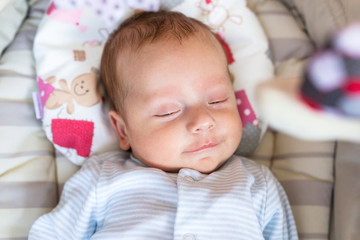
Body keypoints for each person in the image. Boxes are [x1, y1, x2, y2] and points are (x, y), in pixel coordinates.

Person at [29, 10, 298, 240]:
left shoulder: (256, 184)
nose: (203, 121)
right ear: (123, 130)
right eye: (168, 112)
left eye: (217, 100)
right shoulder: (103, 179)